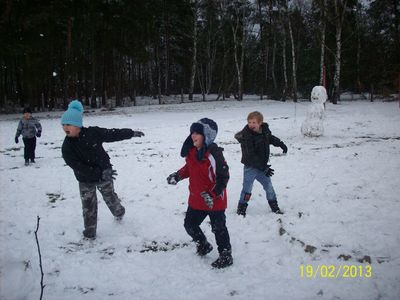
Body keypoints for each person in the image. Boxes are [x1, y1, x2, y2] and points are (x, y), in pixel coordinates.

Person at [61, 100, 144, 239]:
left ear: (78, 125)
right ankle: (90, 231)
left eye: (68, 124)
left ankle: (119, 211)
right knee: (88, 206)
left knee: (110, 196)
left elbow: (111, 134)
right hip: (86, 179)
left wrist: (130, 133)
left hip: (105, 173)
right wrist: (98, 174)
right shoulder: (67, 147)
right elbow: (77, 166)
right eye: (63, 124)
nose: (65, 127)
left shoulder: (93, 133)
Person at [167, 118, 233, 269]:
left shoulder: (214, 155)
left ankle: (226, 254)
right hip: (197, 198)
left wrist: (213, 194)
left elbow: (223, 177)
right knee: (190, 224)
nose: (193, 135)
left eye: (197, 133)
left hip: (214, 199)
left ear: (207, 136)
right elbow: (189, 168)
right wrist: (177, 175)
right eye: (192, 132)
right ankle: (203, 244)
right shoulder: (192, 152)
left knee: (218, 228)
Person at [234, 111, 288, 217]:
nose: (251, 125)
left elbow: (270, 138)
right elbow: (251, 156)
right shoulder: (247, 136)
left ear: (260, 123)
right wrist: (264, 168)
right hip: (250, 167)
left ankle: (274, 207)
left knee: (269, 187)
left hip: (262, 167)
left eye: (254, 122)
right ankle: (241, 208)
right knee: (247, 189)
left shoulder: (265, 131)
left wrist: (281, 144)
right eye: (249, 122)